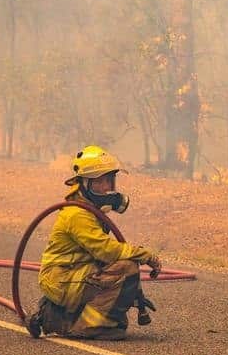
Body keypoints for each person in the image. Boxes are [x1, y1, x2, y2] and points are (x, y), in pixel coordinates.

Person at [26, 145, 162, 340]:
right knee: (127, 268)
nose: (109, 187)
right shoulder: (77, 214)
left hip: (71, 272)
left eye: (110, 180)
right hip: (61, 279)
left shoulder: (90, 208)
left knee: (118, 318)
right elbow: (105, 251)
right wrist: (144, 255)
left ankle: (59, 316)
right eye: (101, 181)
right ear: (86, 183)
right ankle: (84, 326)